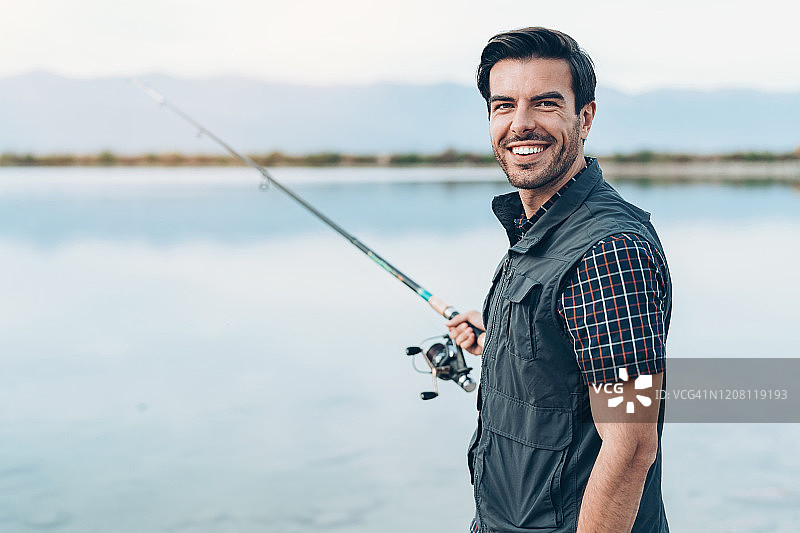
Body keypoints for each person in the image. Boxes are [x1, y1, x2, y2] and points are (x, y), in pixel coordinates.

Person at [446, 27, 671, 533]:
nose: (520, 124)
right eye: (504, 105)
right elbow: (566, 353)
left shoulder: (609, 251)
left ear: (584, 117)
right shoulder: (543, 230)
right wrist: (502, 334)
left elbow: (632, 444)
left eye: (545, 104)